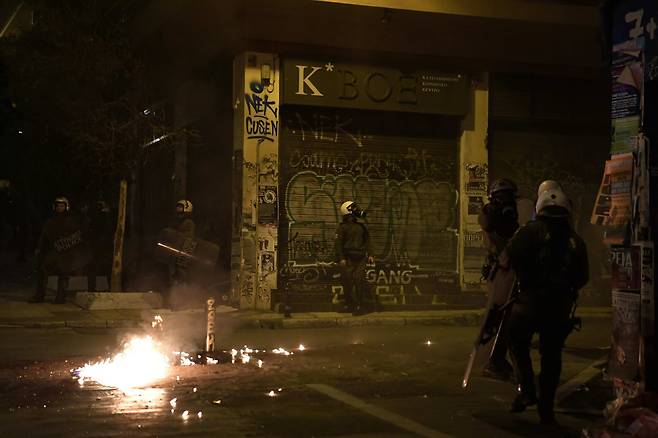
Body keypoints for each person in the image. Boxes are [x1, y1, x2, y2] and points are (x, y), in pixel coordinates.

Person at [504, 188, 589, 425]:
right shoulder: (575, 240)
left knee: (516, 342)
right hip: (559, 308)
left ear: (539, 209)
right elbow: (583, 277)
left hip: (528, 303)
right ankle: (546, 409)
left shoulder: (527, 232)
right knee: (552, 357)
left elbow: (508, 257)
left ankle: (527, 390)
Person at [478, 178, 519, 381]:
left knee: (502, 317)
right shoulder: (494, 215)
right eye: (504, 197)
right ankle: (494, 361)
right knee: (504, 318)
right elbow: (503, 244)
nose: (508, 201)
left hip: (502, 270)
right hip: (503, 272)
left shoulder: (493, 215)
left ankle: (496, 359)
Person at [30, 197, 85, 304]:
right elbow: (44, 236)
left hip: (65, 253)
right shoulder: (50, 221)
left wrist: (67, 244)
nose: (60, 208)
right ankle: (39, 295)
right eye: (58, 206)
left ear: (66, 207)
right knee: (42, 270)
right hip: (53, 251)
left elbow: (77, 236)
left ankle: (60, 298)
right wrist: (40, 248)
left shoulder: (71, 221)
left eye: (62, 206)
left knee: (63, 274)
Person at [334, 200, 374, 315]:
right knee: (347, 282)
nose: (357, 210)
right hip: (348, 259)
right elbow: (338, 244)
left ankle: (360, 307)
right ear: (348, 211)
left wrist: (370, 254)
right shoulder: (342, 228)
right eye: (354, 208)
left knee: (358, 280)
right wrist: (341, 258)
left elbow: (368, 241)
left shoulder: (361, 227)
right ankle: (350, 305)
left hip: (361, 258)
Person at [86, 200, 113, 292]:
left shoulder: (107, 217)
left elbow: (110, 228)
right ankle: (91, 289)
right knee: (93, 267)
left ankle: (110, 288)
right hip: (96, 245)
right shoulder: (93, 216)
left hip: (105, 245)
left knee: (107, 267)